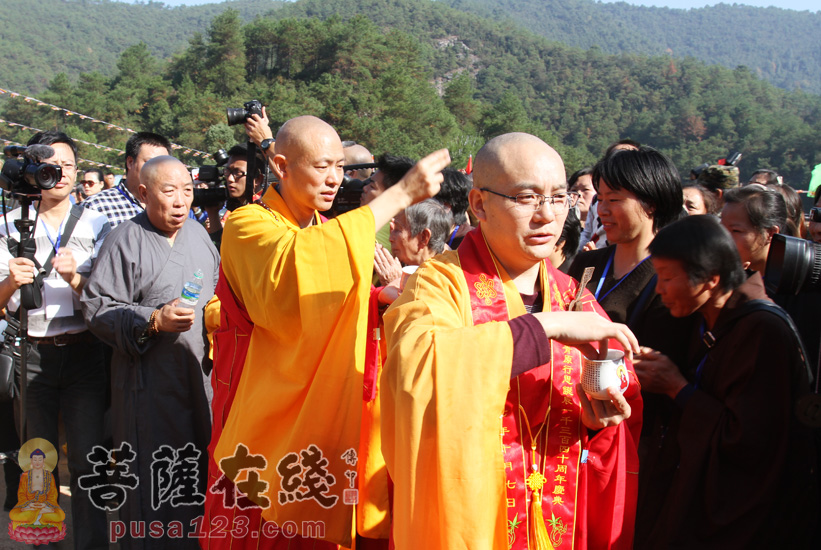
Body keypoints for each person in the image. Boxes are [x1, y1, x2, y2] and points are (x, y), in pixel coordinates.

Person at [381, 132, 642, 549]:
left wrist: (597, 419)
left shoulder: (573, 295)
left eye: (558, 198)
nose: (547, 216)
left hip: (555, 508)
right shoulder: (438, 285)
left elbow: (617, 398)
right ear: (479, 204)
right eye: (526, 198)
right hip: (471, 521)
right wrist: (543, 329)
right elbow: (419, 368)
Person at [204, 114, 449, 548]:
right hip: (261, 414)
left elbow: (329, 304)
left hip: (323, 416)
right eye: (321, 166)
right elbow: (293, 279)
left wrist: (378, 300)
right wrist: (401, 194)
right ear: (280, 166)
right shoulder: (248, 225)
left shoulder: (324, 230)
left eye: (340, 165)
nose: (335, 178)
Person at [632, 215, 817, 548]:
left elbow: (748, 442)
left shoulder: (761, 329)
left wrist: (677, 387)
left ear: (710, 280)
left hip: (744, 519)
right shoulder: (712, 317)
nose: (659, 290)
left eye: (666, 278)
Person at [82, 156, 219, 549]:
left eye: (187, 191)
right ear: (143, 194)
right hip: (147, 384)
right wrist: (154, 319)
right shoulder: (124, 237)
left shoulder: (198, 236)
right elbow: (97, 308)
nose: (181, 201)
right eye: (169, 191)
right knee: (150, 474)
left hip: (198, 376)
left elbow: (217, 292)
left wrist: (214, 315)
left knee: (195, 469)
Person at [0, 130, 111, 550]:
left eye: (66, 165)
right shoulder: (8, 226)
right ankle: (43, 542)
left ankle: (92, 543)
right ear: (32, 172)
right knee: (37, 461)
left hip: (84, 354)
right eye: (49, 165)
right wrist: (11, 282)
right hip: (30, 355)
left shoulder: (98, 223)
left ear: (78, 170)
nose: (58, 173)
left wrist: (77, 279)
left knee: (87, 460)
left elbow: (108, 299)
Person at [83, 132, 172, 228]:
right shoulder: (97, 206)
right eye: (150, 162)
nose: (157, 169)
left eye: (163, 163)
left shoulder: (172, 204)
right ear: (130, 162)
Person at [720, 184, 786, 273]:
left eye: (735, 230)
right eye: (721, 228)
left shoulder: (791, 282)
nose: (722, 238)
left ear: (770, 233)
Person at [9, 448, 66, 542]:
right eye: (35, 459)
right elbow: (21, 495)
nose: (37, 462)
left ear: (44, 461)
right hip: (29, 507)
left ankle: (37, 522)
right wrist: (28, 505)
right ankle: (39, 522)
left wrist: (45, 505)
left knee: (60, 515)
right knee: (13, 514)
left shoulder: (49, 476)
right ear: (31, 461)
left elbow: (52, 496)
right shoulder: (25, 476)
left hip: (45, 508)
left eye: (40, 459)